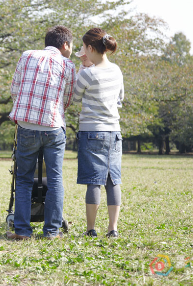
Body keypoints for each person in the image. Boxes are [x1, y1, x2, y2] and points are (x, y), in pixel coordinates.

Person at [7, 25, 76, 240]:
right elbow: (68, 99)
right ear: (65, 45)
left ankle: (22, 231)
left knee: (24, 179)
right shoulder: (68, 65)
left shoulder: (26, 56)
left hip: (27, 126)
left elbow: (14, 89)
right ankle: (52, 231)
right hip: (54, 127)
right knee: (55, 178)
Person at [73, 28, 124, 238]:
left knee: (94, 181)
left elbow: (75, 98)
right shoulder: (117, 70)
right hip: (114, 131)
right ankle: (113, 228)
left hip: (92, 131)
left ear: (91, 48)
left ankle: (90, 229)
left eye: (84, 48)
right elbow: (120, 98)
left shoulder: (87, 73)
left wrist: (80, 70)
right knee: (113, 180)